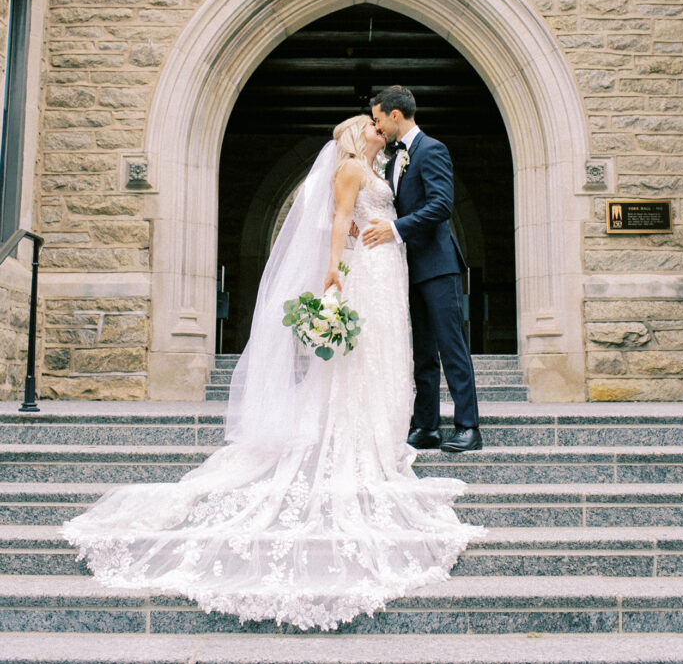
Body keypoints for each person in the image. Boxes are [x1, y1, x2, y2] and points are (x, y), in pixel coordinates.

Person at [62, 115, 485, 630]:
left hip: (388, 270)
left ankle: (397, 426)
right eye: (372, 126)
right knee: (367, 360)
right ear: (360, 136)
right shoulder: (352, 168)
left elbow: (381, 213)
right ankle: (365, 432)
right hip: (368, 272)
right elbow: (337, 218)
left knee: (392, 356)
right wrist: (333, 270)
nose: (379, 129)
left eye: (380, 122)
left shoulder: (386, 164)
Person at [366, 86, 481, 453]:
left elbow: (441, 206)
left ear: (395, 116)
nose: (378, 127)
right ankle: (427, 426)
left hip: (438, 266)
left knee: (452, 348)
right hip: (409, 269)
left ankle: (468, 427)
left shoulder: (432, 150)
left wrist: (395, 229)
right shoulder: (394, 159)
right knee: (424, 354)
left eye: (379, 119)